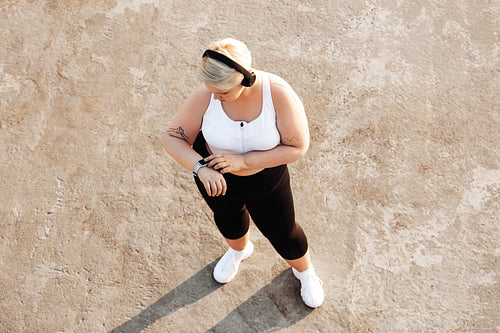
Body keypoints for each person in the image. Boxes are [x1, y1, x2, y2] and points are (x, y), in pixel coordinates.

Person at [161, 38, 324, 308]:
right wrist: (200, 168)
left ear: (243, 81)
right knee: (227, 219)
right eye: (211, 90)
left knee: (284, 232)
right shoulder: (206, 94)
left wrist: (245, 161)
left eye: (222, 92)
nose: (215, 97)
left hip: (266, 181)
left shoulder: (278, 93)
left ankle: (305, 272)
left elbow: (297, 147)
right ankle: (238, 251)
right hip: (216, 178)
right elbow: (172, 138)